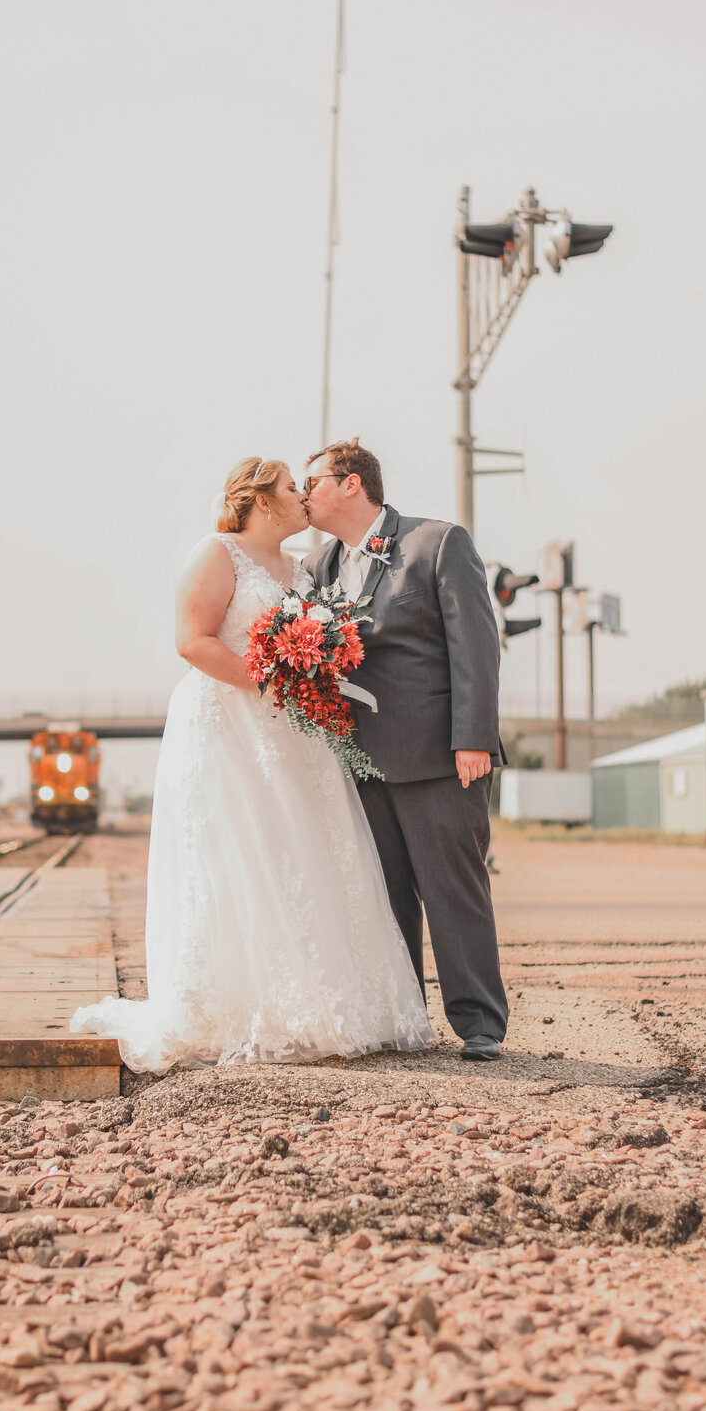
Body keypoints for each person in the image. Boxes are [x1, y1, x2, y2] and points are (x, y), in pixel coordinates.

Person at [70, 456, 431, 1072]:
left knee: (303, 851)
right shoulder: (216, 553)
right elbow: (192, 641)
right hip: (226, 721)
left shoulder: (299, 569)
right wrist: (271, 682)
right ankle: (234, 1008)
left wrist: (310, 673)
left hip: (292, 729)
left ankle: (326, 1002)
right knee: (238, 853)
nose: (302, 497)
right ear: (264, 501)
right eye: (294, 488)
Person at [302, 437, 508, 1061]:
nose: (302, 495)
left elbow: (476, 645)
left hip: (440, 759)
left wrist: (472, 738)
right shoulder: (318, 569)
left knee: (453, 891)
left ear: (350, 484)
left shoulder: (437, 543)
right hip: (359, 764)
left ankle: (480, 1025)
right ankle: (403, 1016)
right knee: (384, 895)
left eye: (311, 482)